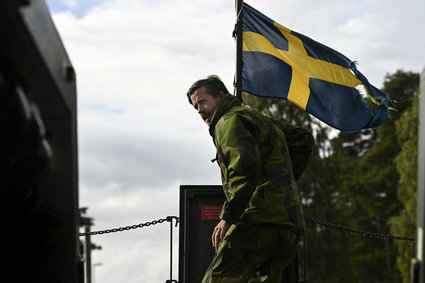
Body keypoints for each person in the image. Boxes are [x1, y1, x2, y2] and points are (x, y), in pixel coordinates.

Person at [187, 75, 314, 283]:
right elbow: (302, 139)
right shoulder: (256, 118)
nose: (200, 110)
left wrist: (228, 217)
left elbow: (243, 169)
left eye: (202, 101)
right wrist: (280, 183)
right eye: (195, 106)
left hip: (257, 221)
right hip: (287, 224)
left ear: (220, 96)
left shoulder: (228, 121)